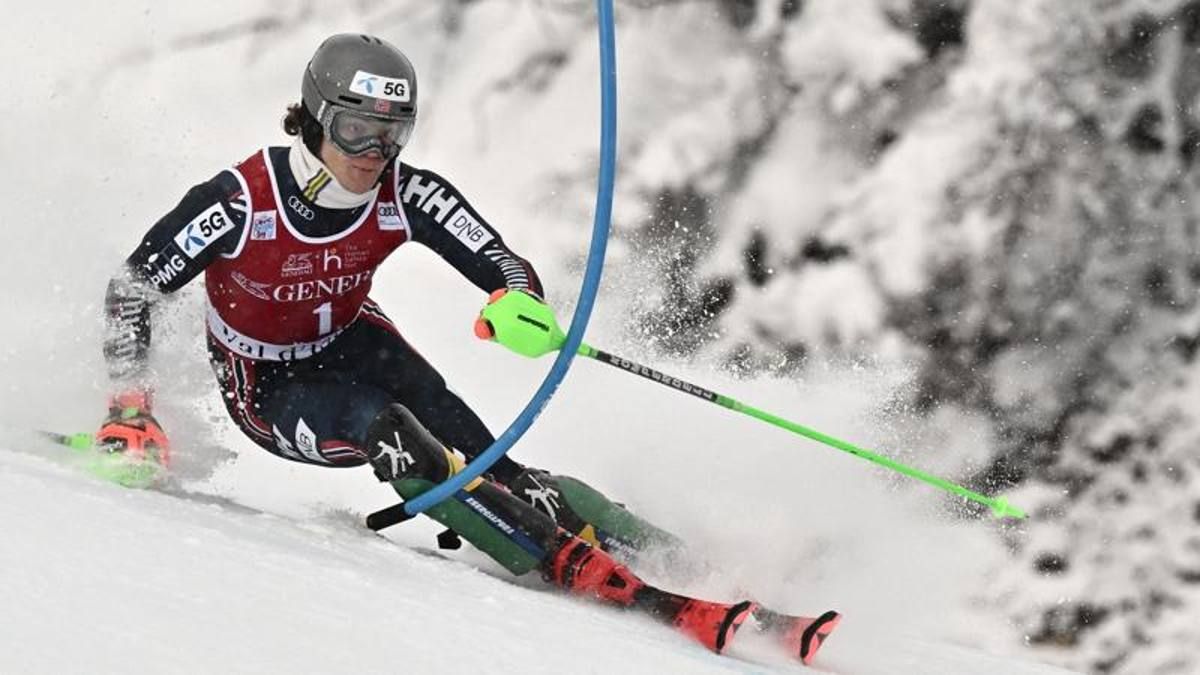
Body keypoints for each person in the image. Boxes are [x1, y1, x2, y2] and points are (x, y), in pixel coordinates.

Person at [95, 33, 757, 651]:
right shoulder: (244, 201)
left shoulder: (402, 192)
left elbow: (499, 259)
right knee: (391, 431)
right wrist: (130, 404)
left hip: (354, 339)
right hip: (267, 383)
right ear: (316, 119)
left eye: (392, 136)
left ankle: (688, 560)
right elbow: (134, 287)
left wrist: (516, 301)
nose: (372, 156)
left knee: (491, 458)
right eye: (357, 131)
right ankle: (560, 560)